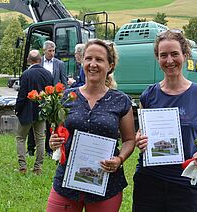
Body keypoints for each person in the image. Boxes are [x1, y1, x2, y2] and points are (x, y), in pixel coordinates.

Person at [46, 39, 136, 211]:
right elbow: (59, 132)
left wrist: (119, 159)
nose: (93, 64)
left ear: (110, 65)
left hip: (106, 185)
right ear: (82, 61)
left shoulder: (121, 101)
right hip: (66, 182)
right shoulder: (66, 97)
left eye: (99, 60)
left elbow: (129, 140)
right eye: (88, 58)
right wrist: (54, 141)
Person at [132, 30, 197, 212]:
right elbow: (141, 131)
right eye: (163, 55)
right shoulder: (149, 94)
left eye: (175, 54)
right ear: (157, 58)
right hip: (149, 180)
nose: (169, 61)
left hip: (187, 180)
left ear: (185, 55)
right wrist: (139, 139)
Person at [15, 49, 53, 175]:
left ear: (28, 60)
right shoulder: (48, 74)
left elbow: (22, 95)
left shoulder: (26, 74)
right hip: (41, 111)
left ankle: (22, 167)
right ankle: (38, 168)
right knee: (41, 139)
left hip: (26, 111)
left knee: (21, 138)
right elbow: (50, 94)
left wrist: (17, 110)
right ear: (40, 60)